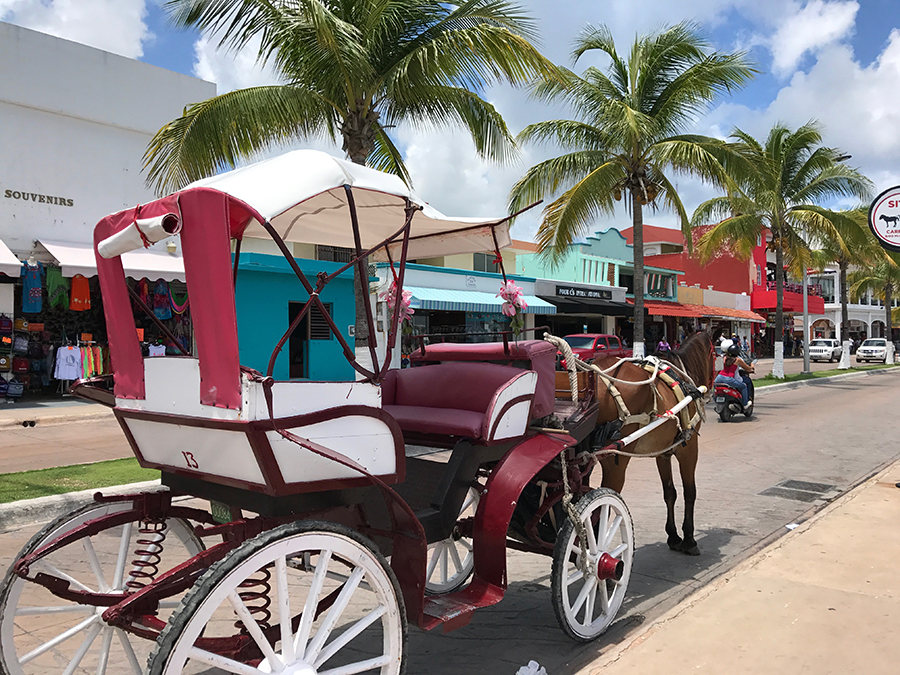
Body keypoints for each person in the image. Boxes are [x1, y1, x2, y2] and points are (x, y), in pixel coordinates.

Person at [715, 344, 755, 410]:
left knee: (716, 389)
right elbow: (747, 368)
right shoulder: (737, 360)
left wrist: (715, 379)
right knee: (744, 386)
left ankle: (715, 400)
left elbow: (717, 370)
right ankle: (745, 404)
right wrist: (752, 367)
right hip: (729, 379)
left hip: (719, 378)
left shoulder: (722, 357)